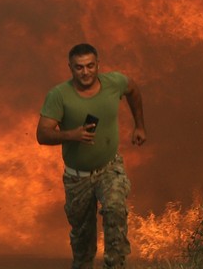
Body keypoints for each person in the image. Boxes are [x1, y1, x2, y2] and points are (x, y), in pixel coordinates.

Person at [37, 43, 146, 269]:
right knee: (83, 243)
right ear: (70, 68)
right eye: (79, 67)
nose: (85, 72)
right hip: (77, 178)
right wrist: (71, 135)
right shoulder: (59, 95)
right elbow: (42, 134)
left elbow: (133, 89)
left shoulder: (113, 83)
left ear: (98, 65)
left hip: (109, 168)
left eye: (89, 66)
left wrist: (139, 126)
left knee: (115, 209)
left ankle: (115, 265)